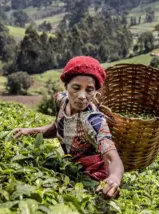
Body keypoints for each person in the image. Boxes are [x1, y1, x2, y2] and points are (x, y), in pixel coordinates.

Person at [13, 56, 124, 200]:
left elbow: (112, 158)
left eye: (89, 90)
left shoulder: (94, 121)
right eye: (76, 88)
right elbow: (58, 127)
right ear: (66, 86)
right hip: (71, 167)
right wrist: (29, 131)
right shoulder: (61, 100)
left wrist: (114, 178)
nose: (82, 96)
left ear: (96, 92)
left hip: (95, 178)